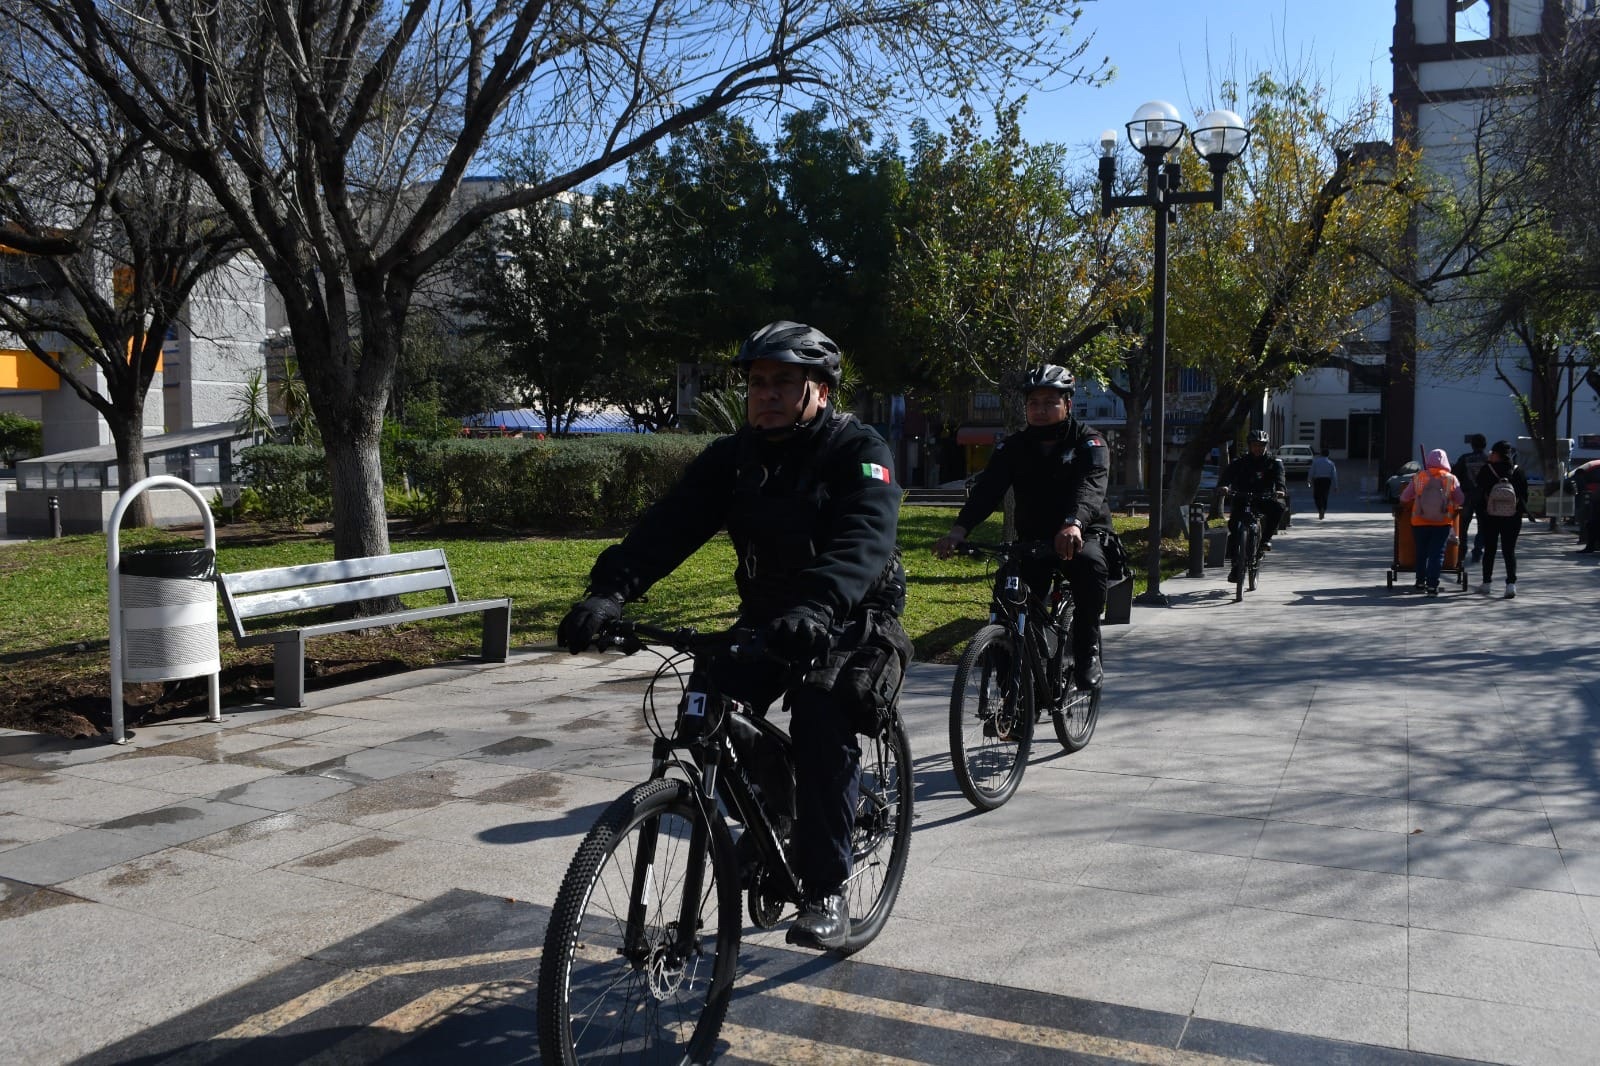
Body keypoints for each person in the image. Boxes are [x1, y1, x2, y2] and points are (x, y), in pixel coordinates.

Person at [556, 320, 905, 951]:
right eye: (757, 383)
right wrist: (610, 591)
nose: (766, 394)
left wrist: (819, 606)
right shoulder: (733, 458)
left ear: (820, 390)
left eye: (783, 382)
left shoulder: (859, 450)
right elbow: (671, 525)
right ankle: (773, 815)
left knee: (821, 716)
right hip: (772, 616)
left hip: (852, 613)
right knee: (707, 706)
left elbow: (864, 538)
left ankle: (826, 888)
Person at [932, 364, 1111, 689]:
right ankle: (1010, 694)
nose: (1040, 410)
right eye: (1033, 403)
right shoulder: (1012, 447)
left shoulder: (1089, 443)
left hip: (1081, 534)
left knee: (1090, 566)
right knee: (1006, 593)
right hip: (1033, 539)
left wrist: (1074, 524)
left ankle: (1088, 649)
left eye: (1049, 402)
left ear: (1067, 404)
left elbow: (1091, 488)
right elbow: (988, 492)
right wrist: (959, 530)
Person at [1217, 429, 1286, 583]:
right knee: (1234, 528)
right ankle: (1235, 566)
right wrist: (1224, 487)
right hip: (1242, 498)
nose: (1258, 448)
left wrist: (1280, 490)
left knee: (1279, 508)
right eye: (1255, 445)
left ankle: (1265, 541)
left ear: (1266, 446)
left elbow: (1280, 479)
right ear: (1249, 446)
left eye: (1261, 445)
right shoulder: (1239, 462)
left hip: (1264, 497)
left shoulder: (1273, 463)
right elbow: (1227, 477)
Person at [1398, 448, 1465, 597]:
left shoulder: (1419, 477)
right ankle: (1432, 586)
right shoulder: (1450, 478)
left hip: (1419, 522)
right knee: (1436, 554)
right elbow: (1460, 499)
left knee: (1421, 553)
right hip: (1442, 523)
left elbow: (1404, 497)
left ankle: (1420, 581)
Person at [1475, 440, 1528, 598]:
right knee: (1509, 550)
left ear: (1497, 454)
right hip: (1512, 517)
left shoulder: (1487, 469)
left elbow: (1479, 490)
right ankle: (1510, 585)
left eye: (1493, 452)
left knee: (1490, 549)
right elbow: (1524, 496)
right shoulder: (1518, 471)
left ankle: (1486, 583)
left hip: (1490, 516)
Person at [1453, 433, 1490, 561]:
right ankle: (1477, 551)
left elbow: (1455, 476)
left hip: (1466, 496)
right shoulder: (1488, 459)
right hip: (1484, 497)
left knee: (1463, 526)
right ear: (1484, 445)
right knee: (1483, 526)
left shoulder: (1464, 458)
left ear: (1472, 445)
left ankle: (1461, 551)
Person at [1309, 447, 1338, 519]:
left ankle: (1320, 508)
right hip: (1327, 481)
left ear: (1321, 454)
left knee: (1316, 496)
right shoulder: (1331, 463)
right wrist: (1336, 486)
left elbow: (1311, 472)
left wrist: (1309, 480)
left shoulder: (1316, 462)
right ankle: (1323, 509)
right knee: (1325, 496)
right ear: (1328, 455)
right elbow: (1334, 475)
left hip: (1318, 480)